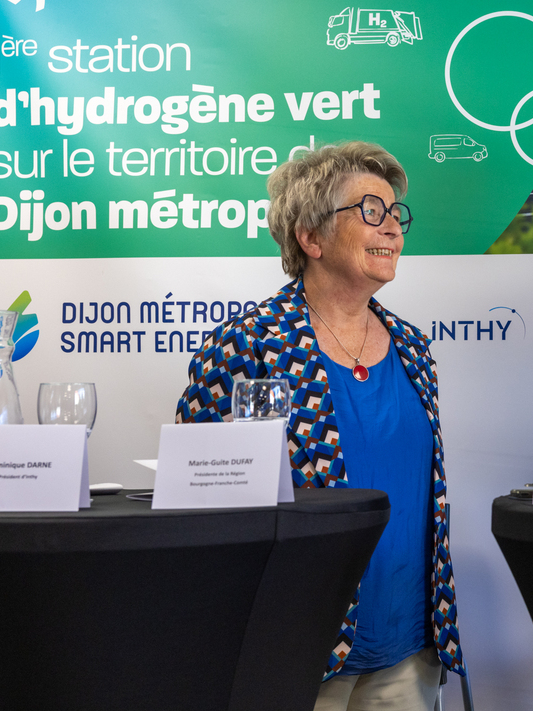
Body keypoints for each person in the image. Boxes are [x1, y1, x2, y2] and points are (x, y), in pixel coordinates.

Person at [175, 141, 463, 711]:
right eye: (371, 211)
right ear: (311, 237)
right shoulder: (251, 341)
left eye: (395, 214)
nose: (393, 229)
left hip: (409, 644)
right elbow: (197, 496)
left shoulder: (411, 346)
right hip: (294, 643)